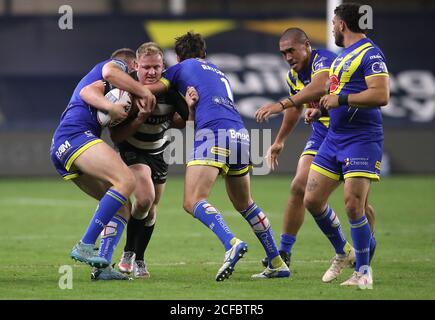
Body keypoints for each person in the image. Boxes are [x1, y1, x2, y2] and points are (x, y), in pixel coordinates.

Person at [146, 32, 290, 281]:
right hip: (241, 135)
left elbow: (149, 90)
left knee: (192, 201)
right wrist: (190, 110)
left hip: (214, 134)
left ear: (178, 57)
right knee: (246, 204)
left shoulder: (181, 68)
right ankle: (277, 262)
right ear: (204, 54)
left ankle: (230, 242)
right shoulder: (217, 71)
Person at [255, 28, 377, 280]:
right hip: (323, 134)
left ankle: (366, 250)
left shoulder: (324, 60)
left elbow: (320, 86)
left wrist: (281, 104)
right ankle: (285, 255)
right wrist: (280, 141)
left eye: (292, 50)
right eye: (283, 53)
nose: (288, 57)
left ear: (307, 46)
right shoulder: (293, 76)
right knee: (300, 187)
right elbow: (297, 105)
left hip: (350, 132)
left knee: (359, 204)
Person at [81, 42, 192, 278]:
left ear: (163, 67)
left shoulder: (170, 91)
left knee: (151, 211)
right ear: (136, 67)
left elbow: (181, 121)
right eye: (146, 67)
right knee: (144, 199)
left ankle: (138, 258)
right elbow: (118, 135)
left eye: (157, 67)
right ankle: (126, 253)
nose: (151, 72)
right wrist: (141, 117)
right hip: (132, 152)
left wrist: (189, 107)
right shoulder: (126, 91)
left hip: (158, 153)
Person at [50, 48, 155, 280]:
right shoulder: (114, 67)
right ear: (133, 65)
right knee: (126, 180)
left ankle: (103, 267)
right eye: (141, 68)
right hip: (75, 135)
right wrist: (118, 104)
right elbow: (92, 89)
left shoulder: (114, 87)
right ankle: (86, 244)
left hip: (63, 146)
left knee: (123, 206)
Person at [303, 2, 389, 286]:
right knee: (312, 199)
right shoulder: (342, 56)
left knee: (353, 205)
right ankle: (344, 250)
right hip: (334, 137)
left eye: (333, 24)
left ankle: (363, 272)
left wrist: (339, 100)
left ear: (341, 25)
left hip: (361, 139)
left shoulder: (370, 53)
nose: (332, 29)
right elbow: (341, 95)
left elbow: (381, 95)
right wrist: (322, 110)